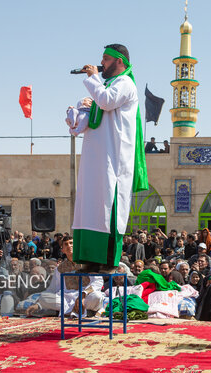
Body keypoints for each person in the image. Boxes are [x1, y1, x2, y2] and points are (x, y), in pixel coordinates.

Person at [72, 44, 148, 273]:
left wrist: (93, 79)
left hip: (113, 160)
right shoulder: (107, 85)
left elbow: (105, 101)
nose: (101, 63)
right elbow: (94, 110)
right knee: (90, 208)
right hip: (95, 159)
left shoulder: (125, 84)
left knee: (108, 208)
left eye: (105, 59)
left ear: (120, 62)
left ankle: (107, 262)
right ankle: (90, 260)